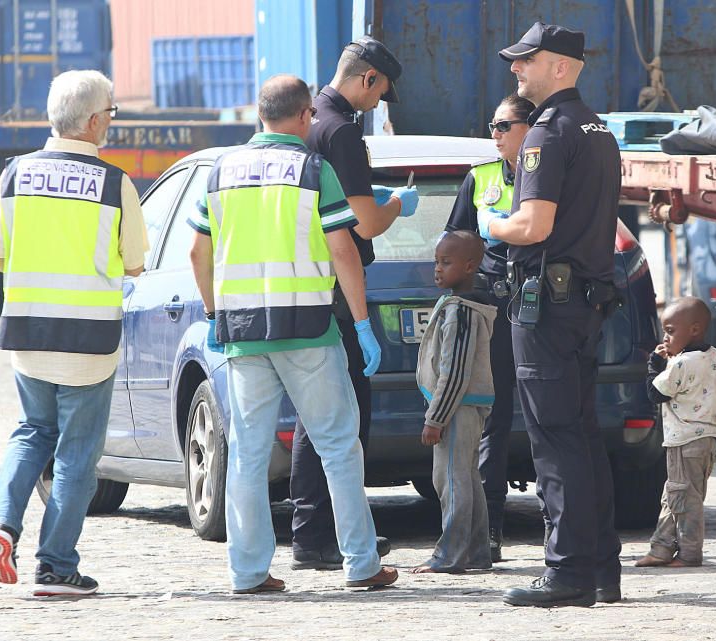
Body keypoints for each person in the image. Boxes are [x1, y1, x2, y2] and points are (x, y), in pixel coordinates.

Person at [187, 74, 397, 593]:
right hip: (307, 330)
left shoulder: (219, 171)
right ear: (305, 117)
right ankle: (361, 564)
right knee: (337, 446)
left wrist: (215, 315)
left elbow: (198, 252)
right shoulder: (311, 169)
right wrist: (363, 324)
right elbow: (343, 250)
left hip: (242, 334)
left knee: (248, 454)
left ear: (261, 114)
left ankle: (248, 571)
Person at [0, 70, 147, 596]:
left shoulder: (14, 175)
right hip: (89, 343)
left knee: (32, 433)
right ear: (95, 120)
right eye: (112, 114)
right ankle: (55, 566)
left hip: (28, 335)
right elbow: (136, 264)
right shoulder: (114, 183)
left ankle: (2, 526)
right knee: (77, 454)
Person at [481, 22, 623, 607]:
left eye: (526, 61)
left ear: (560, 66)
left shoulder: (546, 132)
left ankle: (566, 574)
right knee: (584, 436)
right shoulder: (599, 130)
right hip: (584, 302)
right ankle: (600, 569)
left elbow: (533, 226)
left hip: (547, 307)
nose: (516, 70)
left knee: (555, 439)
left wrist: (491, 219)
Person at [290, 35, 417, 571]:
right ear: (367, 78)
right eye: (381, 90)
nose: (379, 101)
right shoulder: (341, 130)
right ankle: (324, 536)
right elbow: (363, 223)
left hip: (306, 282)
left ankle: (311, 532)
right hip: (339, 292)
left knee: (312, 416)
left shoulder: (308, 119)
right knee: (346, 416)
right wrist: (395, 205)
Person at [445, 92, 534, 562]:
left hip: (542, 305)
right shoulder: (480, 177)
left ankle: (561, 525)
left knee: (547, 418)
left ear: (529, 128)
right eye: (492, 125)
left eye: (503, 126)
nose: (494, 134)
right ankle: (490, 528)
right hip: (494, 307)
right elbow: (454, 239)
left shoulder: (548, 174)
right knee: (492, 421)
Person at [636, 297, 716, 568]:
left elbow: (654, 394)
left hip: (684, 442)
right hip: (708, 443)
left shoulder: (680, 365)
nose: (665, 338)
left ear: (694, 329)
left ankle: (690, 553)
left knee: (684, 499)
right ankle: (661, 549)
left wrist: (654, 365)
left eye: (670, 331)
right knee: (675, 496)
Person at [411, 231, 497, 574]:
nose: (437, 269)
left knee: (450, 480)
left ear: (470, 266)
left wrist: (436, 417)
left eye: (446, 263)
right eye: (436, 262)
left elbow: (455, 372)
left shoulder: (461, 312)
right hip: (461, 407)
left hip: (456, 408)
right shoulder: (457, 305)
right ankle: (476, 552)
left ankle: (450, 554)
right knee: (466, 478)